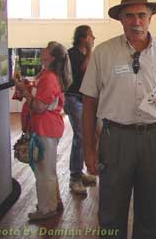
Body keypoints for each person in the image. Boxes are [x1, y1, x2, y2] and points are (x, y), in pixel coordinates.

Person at [80, 0, 156, 239]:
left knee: (152, 211)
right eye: (129, 15)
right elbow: (88, 103)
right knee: (110, 211)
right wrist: (89, 150)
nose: (135, 21)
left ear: (150, 17)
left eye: (141, 14)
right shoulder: (104, 53)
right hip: (115, 138)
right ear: (121, 19)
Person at [15, 41, 72, 221]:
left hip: (45, 127)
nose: (43, 50)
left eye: (47, 48)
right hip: (47, 127)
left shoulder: (49, 78)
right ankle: (53, 202)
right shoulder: (48, 75)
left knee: (44, 170)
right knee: (47, 168)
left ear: (52, 57)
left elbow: (39, 106)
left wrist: (25, 91)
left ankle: (47, 209)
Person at [64, 25, 97, 195]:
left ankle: (79, 172)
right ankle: (74, 178)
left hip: (84, 99)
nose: (93, 38)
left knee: (87, 134)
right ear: (83, 38)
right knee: (80, 136)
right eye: (91, 36)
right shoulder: (72, 54)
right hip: (73, 98)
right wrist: (91, 51)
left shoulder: (86, 55)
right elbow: (84, 69)